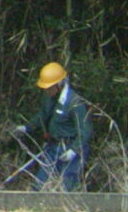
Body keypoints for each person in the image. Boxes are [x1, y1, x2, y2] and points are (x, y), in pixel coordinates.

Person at [14, 61, 93, 190]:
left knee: (68, 186)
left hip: (71, 148)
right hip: (53, 147)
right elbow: (42, 116)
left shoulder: (74, 102)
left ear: (59, 84)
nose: (47, 91)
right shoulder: (49, 98)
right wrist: (26, 127)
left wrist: (73, 150)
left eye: (49, 88)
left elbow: (85, 131)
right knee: (39, 183)